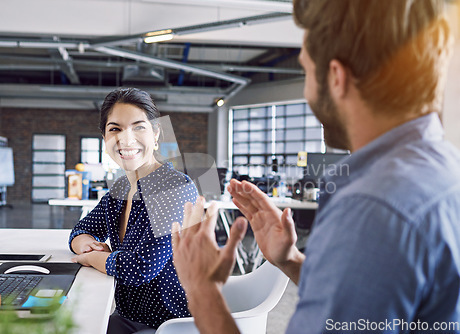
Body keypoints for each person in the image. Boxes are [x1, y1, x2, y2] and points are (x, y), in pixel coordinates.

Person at [171, 0, 460, 333]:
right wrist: (290, 259)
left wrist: (201, 290)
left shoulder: (372, 207)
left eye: (306, 71)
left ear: (336, 77)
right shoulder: (443, 171)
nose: (308, 89)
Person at [69, 87, 198, 333]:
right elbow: (81, 230)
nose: (126, 139)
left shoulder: (175, 188)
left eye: (139, 127)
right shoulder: (121, 188)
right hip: (128, 316)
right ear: (105, 137)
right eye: (115, 129)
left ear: (156, 133)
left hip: (170, 324)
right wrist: (87, 243)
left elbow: (141, 267)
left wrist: (92, 257)